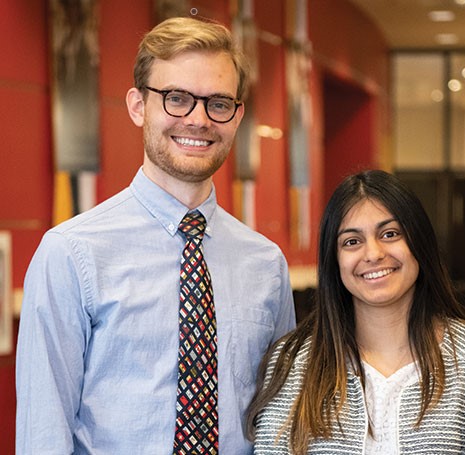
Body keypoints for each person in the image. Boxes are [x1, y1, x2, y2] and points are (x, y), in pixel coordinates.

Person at [16, 17, 295, 454]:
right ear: (138, 105)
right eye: (177, 98)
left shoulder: (266, 263)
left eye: (218, 103)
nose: (199, 119)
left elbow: (280, 423)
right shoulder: (71, 253)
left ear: (237, 116)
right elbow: (42, 432)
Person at [248, 170, 465, 454]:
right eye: (352, 241)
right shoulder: (293, 362)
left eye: (390, 234)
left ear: (419, 243)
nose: (374, 253)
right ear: (335, 259)